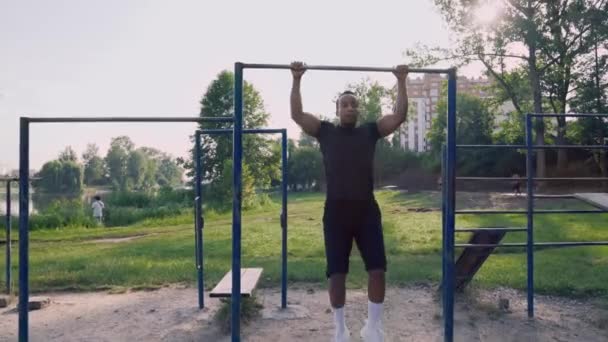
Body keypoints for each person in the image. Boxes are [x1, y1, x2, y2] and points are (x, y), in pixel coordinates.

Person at [290, 61, 408, 342]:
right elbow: (296, 114)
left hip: (366, 210)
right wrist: (296, 79)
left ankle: (373, 327)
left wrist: (401, 80)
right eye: (345, 104)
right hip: (336, 212)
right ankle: (340, 329)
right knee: (337, 274)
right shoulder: (325, 132)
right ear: (337, 110)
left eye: (354, 104)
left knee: (378, 269)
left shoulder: (369, 131)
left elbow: (399, 116)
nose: (350, 108)